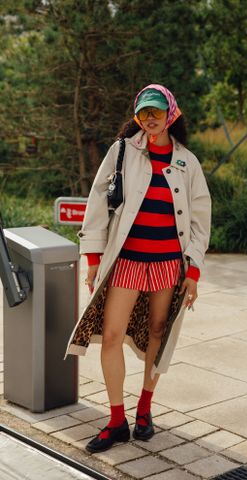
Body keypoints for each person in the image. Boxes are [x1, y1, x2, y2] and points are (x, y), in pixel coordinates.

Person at [64, 84, 211, 453]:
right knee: (111, 336)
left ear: (171, 114)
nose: (150, 118)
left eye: (157, 112)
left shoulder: (187, 162)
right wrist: (93, 259)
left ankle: (145, 409)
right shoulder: (121, 152)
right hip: (127, 260)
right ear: (136, 116)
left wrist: (192, 272)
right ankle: (116, 420)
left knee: (157, 333)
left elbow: (200, 221)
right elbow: (97, 204)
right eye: (144, 112)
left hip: (167, 265)